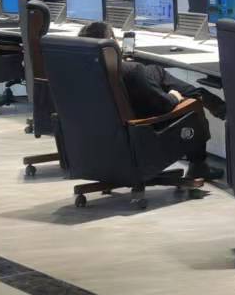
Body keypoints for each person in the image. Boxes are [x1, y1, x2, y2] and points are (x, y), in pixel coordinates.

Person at [77, 20, 210, 179]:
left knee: (155, 71)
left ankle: (209, 99)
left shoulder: (79, 72)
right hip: (141, 131)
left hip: (99, 139)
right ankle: (198, 166)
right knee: (193, 105)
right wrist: (174, 97)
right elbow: (163, 106)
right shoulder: (131, 71)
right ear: (111, 44)